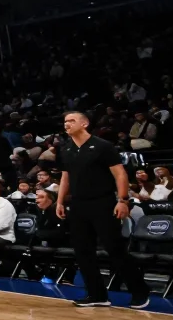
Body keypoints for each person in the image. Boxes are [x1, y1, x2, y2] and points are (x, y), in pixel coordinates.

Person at [56, 111, 151, 309]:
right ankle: (97, 294)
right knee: (82, 251)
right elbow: (65, 177)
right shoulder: (65, 149)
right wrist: (59, 202)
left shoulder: (102, 146)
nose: (67, 124)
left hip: (103, 202)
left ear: (85, 123)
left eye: (72, 120)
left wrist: (123, 200)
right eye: (65, 121)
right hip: (78, 204)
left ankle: (140, 291)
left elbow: (120, 174)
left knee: (114, 248)